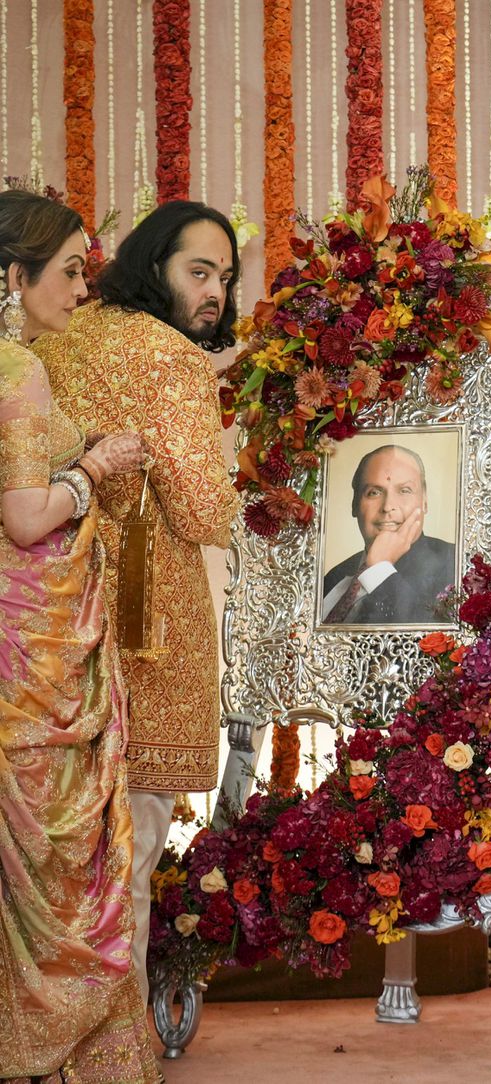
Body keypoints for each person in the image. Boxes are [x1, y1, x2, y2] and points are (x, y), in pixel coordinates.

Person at [33, 200, 240, 1006]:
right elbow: (203, 510)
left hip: (46, 620)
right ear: (154, 265)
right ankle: (118, 1045)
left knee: (48, 851)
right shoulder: (171, 358)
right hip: (143, 629)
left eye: (225, 276)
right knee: (131, 851)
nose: (217, 290)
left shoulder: (50, 337)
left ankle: (42, 1032)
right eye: (200, 271)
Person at [0, 189, 160, 1080]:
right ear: (12, 277)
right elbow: (26, 518)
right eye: (66, 273)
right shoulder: (14, 369)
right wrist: (95, 468)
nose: (79, 290)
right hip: (31, 657)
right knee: (55, 867)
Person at [322, 444, 457, 625]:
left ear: (424, 501)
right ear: (354, 504)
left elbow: (417, 644)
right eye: (374, 492)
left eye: (404, 490)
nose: (387, 506)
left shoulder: (454, 565)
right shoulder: (335, 576)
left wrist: (379, 569)